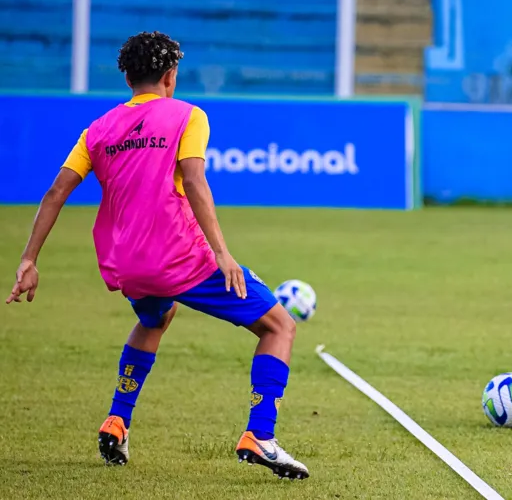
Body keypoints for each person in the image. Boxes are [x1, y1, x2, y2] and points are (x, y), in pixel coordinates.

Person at [6, 31, 309, 478]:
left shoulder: (98, 129)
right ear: (171, 75)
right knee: (279, 326)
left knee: (155, 317)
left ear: (127, 76)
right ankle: (260, 436)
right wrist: (222, 254)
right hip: (181, 257)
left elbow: (55, 192)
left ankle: (117, 419)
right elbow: (196, 181)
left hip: (126, 263)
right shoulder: (187, 115)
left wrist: (29, 259)